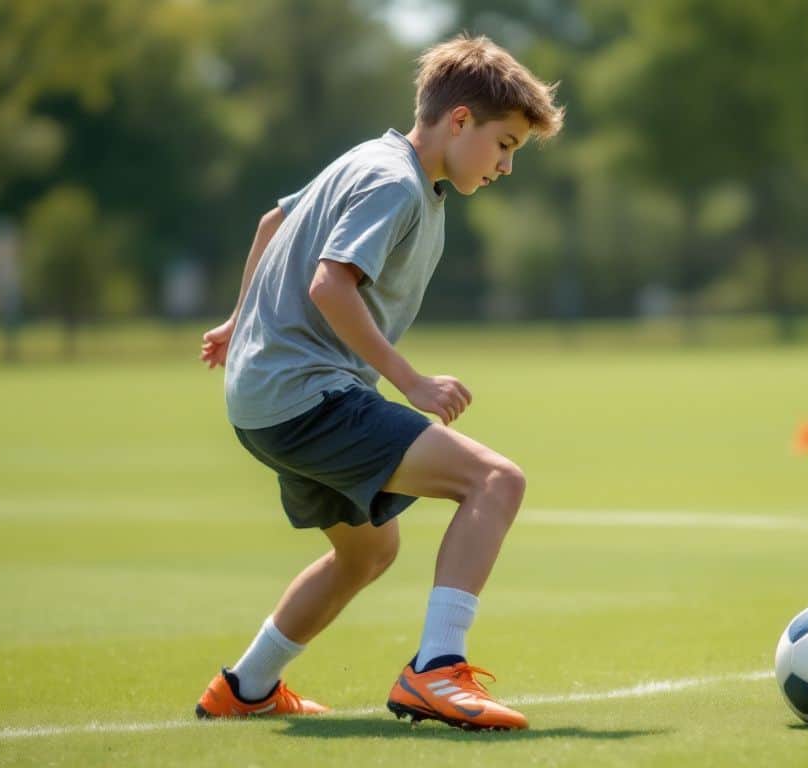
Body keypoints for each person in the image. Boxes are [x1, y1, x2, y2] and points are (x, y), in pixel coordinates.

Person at [194, 34, 563, 731]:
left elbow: (277, 219)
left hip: (262, 402)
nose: (508, 165)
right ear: (460, 121)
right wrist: (411, 382)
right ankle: (436, 671)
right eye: (505, 144)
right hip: (309, 398)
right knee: (494, 481)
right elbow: (330, 283)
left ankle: (244, 687)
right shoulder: (395, 184)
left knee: (368, 550)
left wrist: (240, 319)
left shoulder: (375, 159)